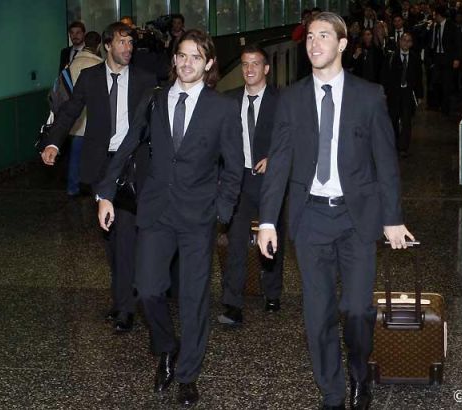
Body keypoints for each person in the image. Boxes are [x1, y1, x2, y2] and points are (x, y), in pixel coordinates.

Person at [257, 12, 414, 410]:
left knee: (357, 309)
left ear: (342, 44)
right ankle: (331, 392)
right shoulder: (291, 98)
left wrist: (393, 218)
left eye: (324, 36)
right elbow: (279, 162)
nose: (314, 44)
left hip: (356, 218)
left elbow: (386, 162)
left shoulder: (368, 95)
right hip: (310, 217)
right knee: (319, 313)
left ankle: (359, 371)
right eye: (310, 37)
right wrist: (268, 221)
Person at [95, 29, 243, 406]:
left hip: (198, 216)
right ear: (174, 59)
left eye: (196, 57)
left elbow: (234, 165)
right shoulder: (155, 99)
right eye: (182, 55)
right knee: (147, 289)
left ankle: (187, 375)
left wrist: (222, 210)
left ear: (209, 64)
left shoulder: (222, 108)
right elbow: (128, 144)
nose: (187, 63)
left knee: (193, 299)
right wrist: (105, 193)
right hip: (156, 210)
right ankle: (166, 346)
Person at [41, 22, 156, 332]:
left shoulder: (145, 79)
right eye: (122, 42)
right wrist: (53, 142)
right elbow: (69, 111)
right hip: (100, 166)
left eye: (130, 43)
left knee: (125, 234)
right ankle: (123, 294)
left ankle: (125, 308)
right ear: (107, 45)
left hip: (131, 166)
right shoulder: (90, 78)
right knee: (110, 237)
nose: (128, 48)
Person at [217, 45, 284, 326]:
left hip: (271, 181)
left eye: (255, 63)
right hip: (239, 179)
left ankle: (272, 292)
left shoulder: (281, 101)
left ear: (266, 68)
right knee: (236, 242)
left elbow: (293, 138)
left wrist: (274, 158)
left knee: (272, 238)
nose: (249, 69)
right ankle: (232, 302)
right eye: (245, 64)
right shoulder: (229, 100)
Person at [65, 31, 103, 196]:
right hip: (93, 117)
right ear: (99, 45)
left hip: (76, 117)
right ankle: (96, 188)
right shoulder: (99, 65)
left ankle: (72, 187)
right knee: (96, 155)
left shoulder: (72, 64)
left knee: (75, 154)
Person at [383, 32, 423, 157]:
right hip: (394, 94)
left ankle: (403, 147)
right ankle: (393, 143)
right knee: (393, 120)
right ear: (399, 42)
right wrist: (384, 93)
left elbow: (418, 77)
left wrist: (419, 95)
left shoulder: (415, 58)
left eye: (408, 41)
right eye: (404, 40)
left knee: (406, 120)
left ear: (411, 43)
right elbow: (385, 76)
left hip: (408, 94)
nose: (406, 43)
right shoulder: (391, 57)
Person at [426, 5, 461, 115]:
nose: (434, 17)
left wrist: (456, 58)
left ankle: (446, 107)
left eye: (435, 15)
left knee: (447, 83)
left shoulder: (452, 26)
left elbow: (457, 43)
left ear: (439, 15)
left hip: (448, 57)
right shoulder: (436, 27)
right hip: (438, 57)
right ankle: (437, 104)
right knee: (436, 81)